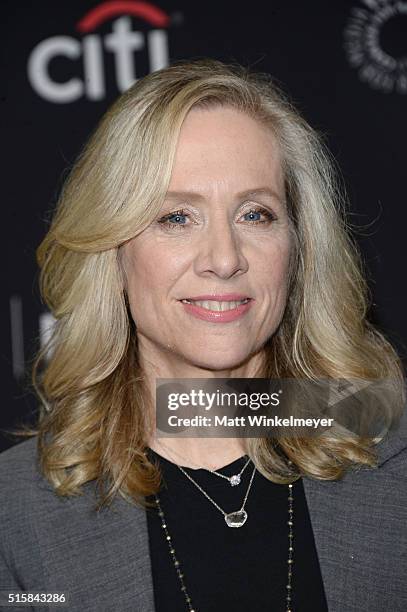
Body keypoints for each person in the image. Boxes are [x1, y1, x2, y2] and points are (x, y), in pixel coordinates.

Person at [0, 58, 406, 612]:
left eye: (255, 214)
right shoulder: (16, 513)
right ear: (113, 254)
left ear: (299, 249)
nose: (224, 259)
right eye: (176, 218)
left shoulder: (389, 450)